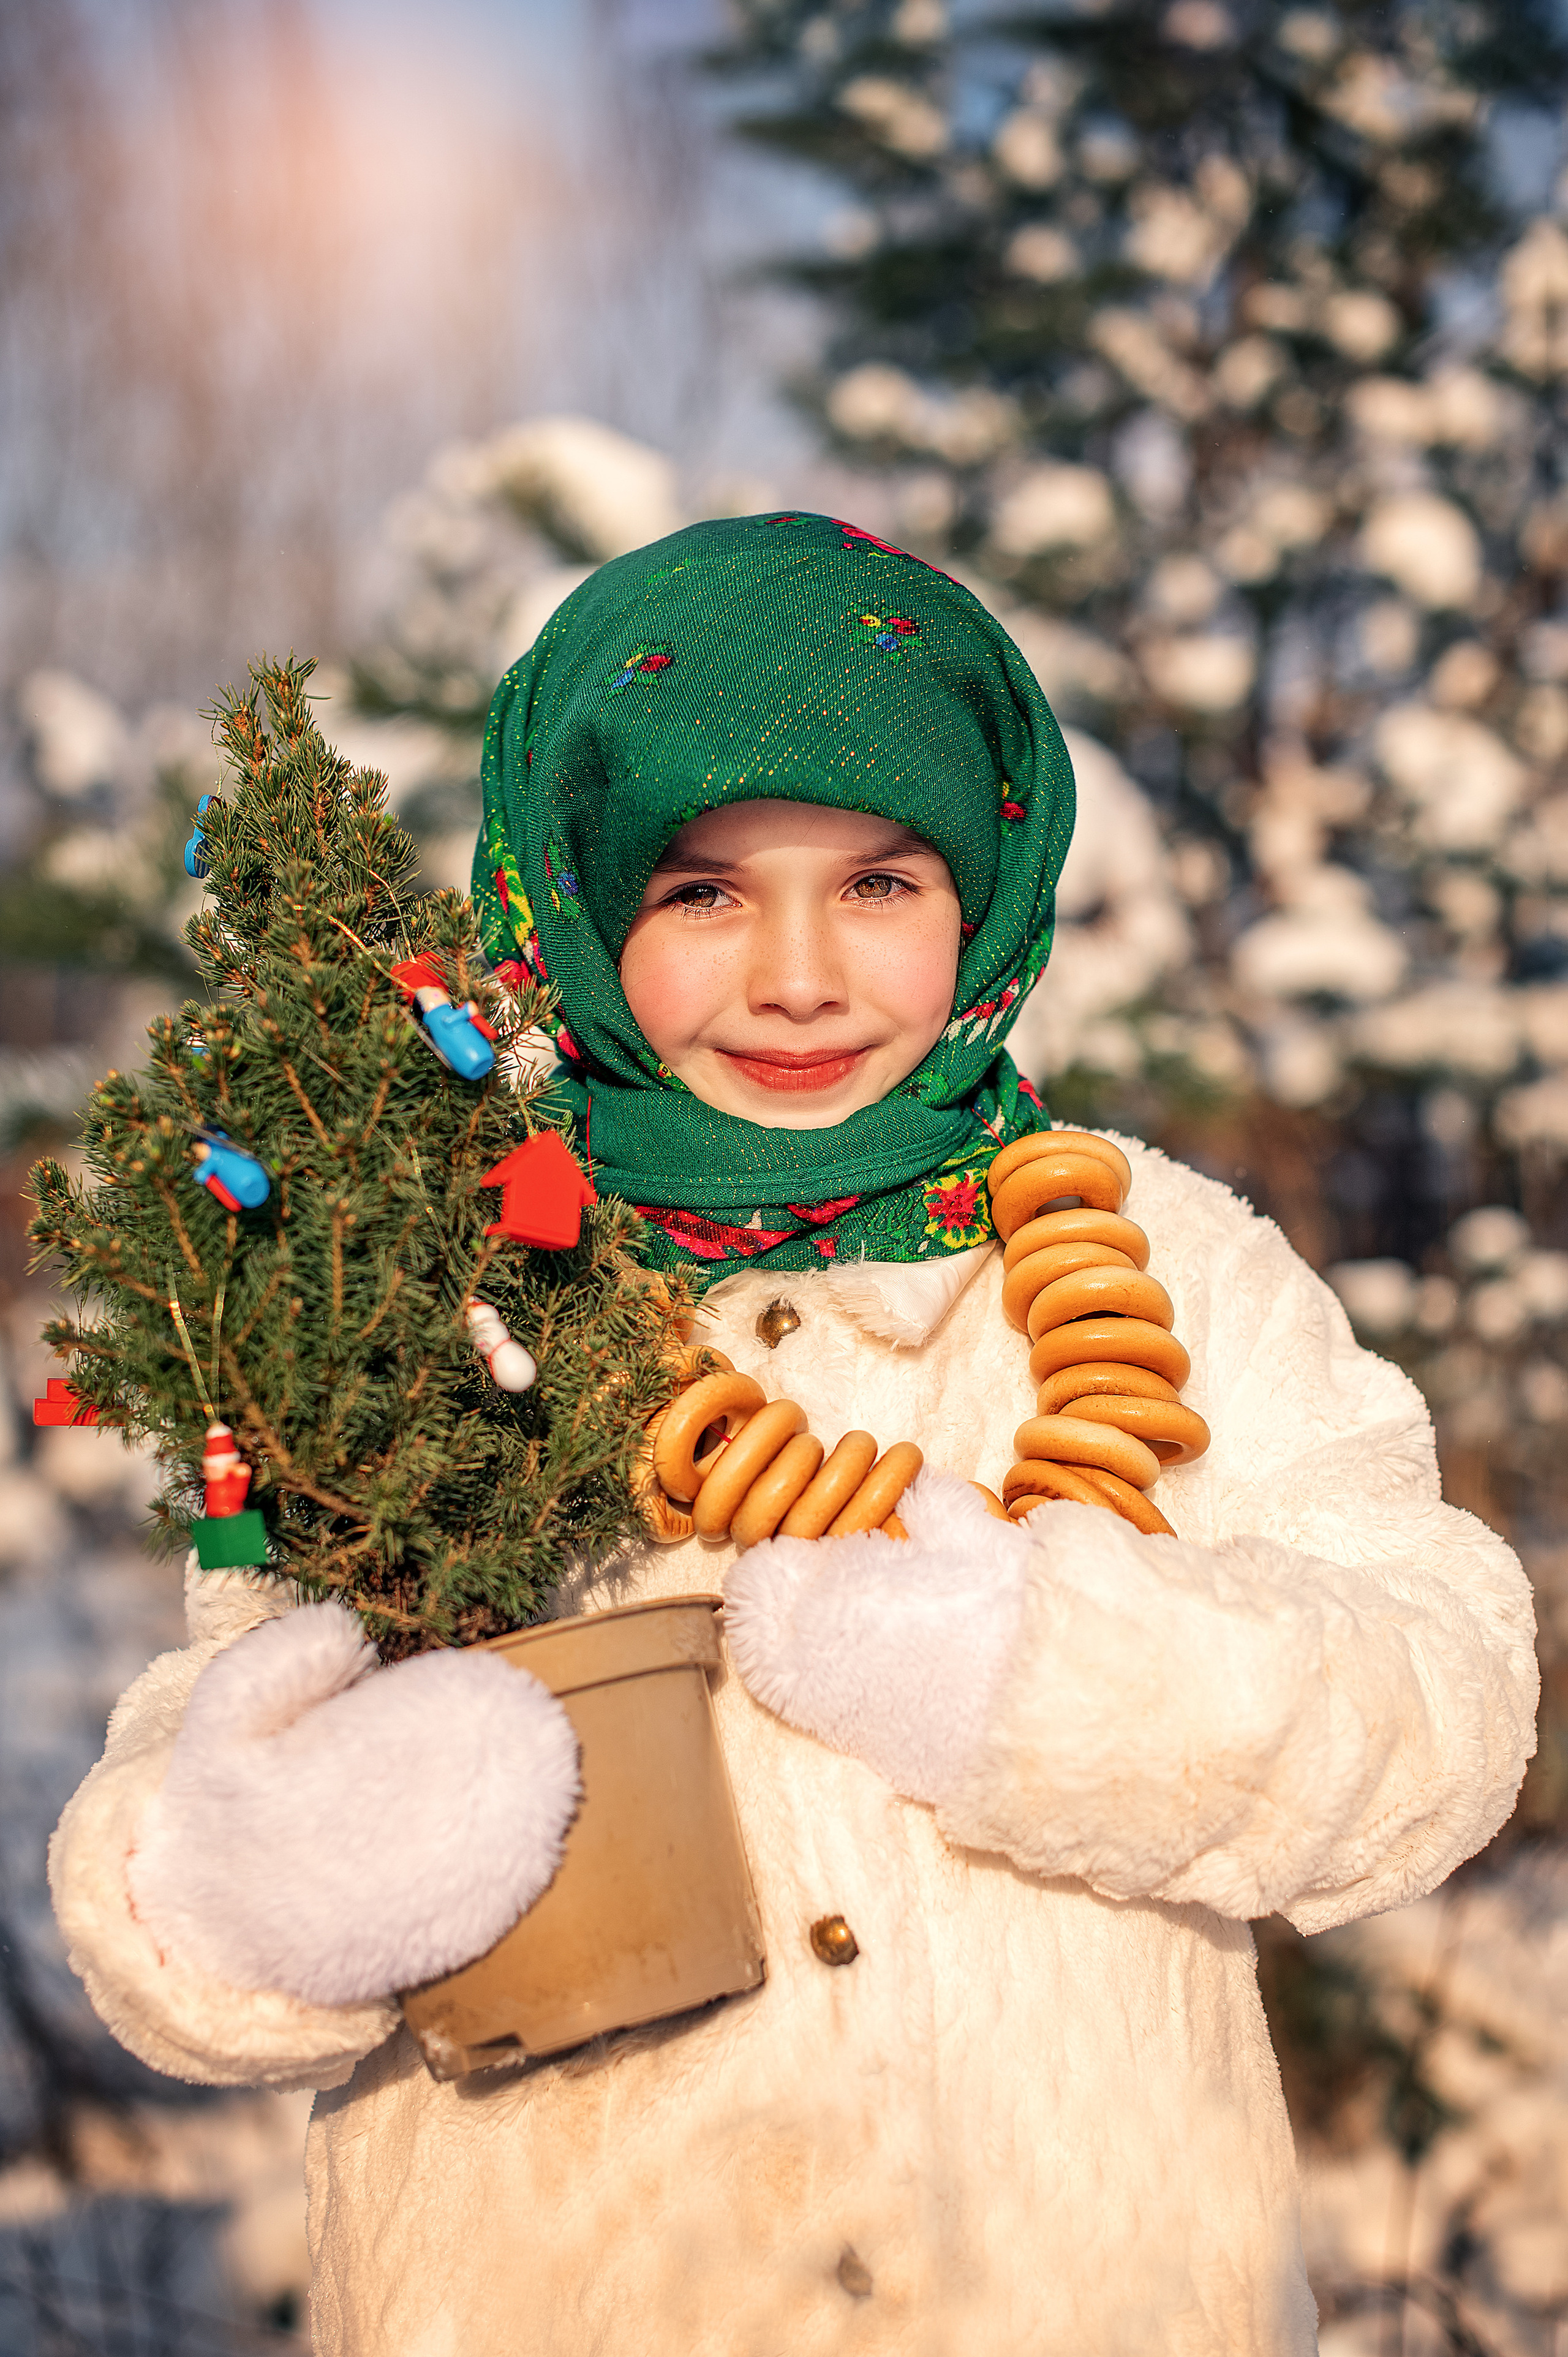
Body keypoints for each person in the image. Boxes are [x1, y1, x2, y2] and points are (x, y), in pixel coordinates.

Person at [50, 514, 1537, 2355]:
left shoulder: (1170, 1260)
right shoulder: (422, 1286)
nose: (802, 974)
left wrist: (1058, 1674)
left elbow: (1446, 1708)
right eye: (702, 893)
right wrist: (279, 1868)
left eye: (882, 883)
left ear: (987, 888)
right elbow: (181, 1879)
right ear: (578, 899)